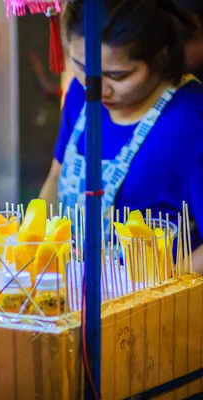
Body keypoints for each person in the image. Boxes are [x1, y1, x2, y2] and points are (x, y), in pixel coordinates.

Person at [39, 0, 203, 272]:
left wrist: (164, 285)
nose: (97, 87)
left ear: (159, 56)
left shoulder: (191, 120)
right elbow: (55, 178)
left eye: (117, 75)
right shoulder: (80, 95)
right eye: (81, 66)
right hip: (73, 294)